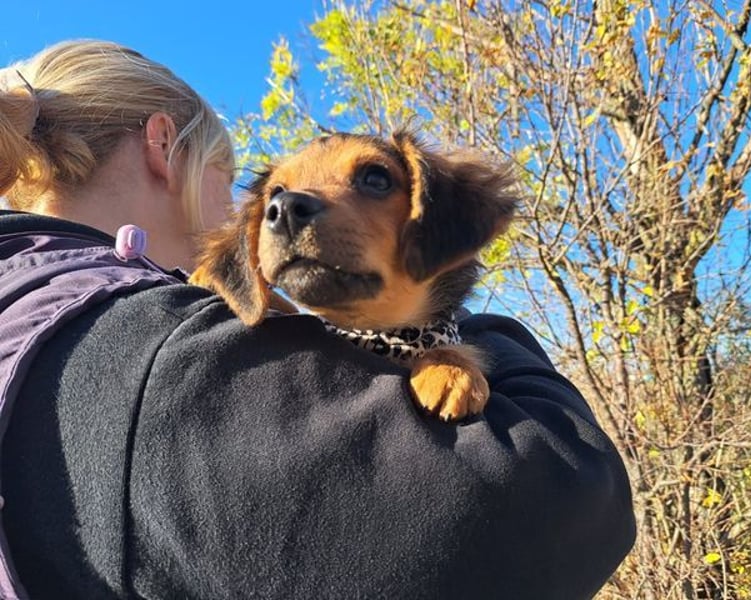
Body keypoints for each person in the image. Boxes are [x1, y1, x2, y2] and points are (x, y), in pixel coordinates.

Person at [0, 40, 635, 600]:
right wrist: (491, 336)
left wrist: (447, 347)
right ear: (163, 146)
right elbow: (561, 497)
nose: (287, 210)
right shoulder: (158, 351)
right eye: (264, 193)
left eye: (373, 181)